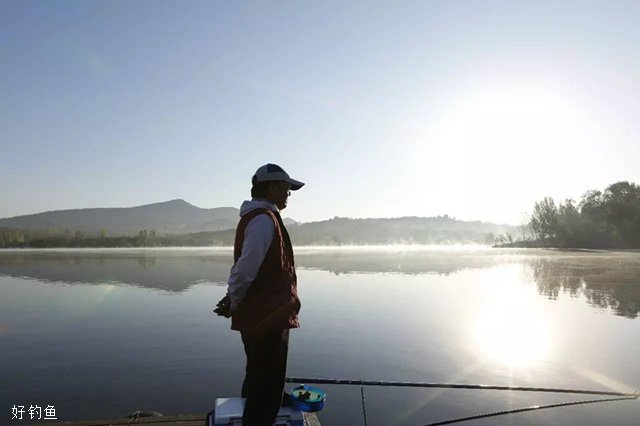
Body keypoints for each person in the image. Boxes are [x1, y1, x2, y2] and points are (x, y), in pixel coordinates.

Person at [214, 163, 304, 426]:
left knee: (259, 376)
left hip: (263, 315)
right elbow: (245, 268)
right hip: (267, 317)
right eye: (287, 188)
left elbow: (247, 270)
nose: (289, 194)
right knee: (266, 385)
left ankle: (260, 410)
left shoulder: (263, 217)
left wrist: (233, 300)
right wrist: (235, 299)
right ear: (272, 187)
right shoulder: (264, 220)